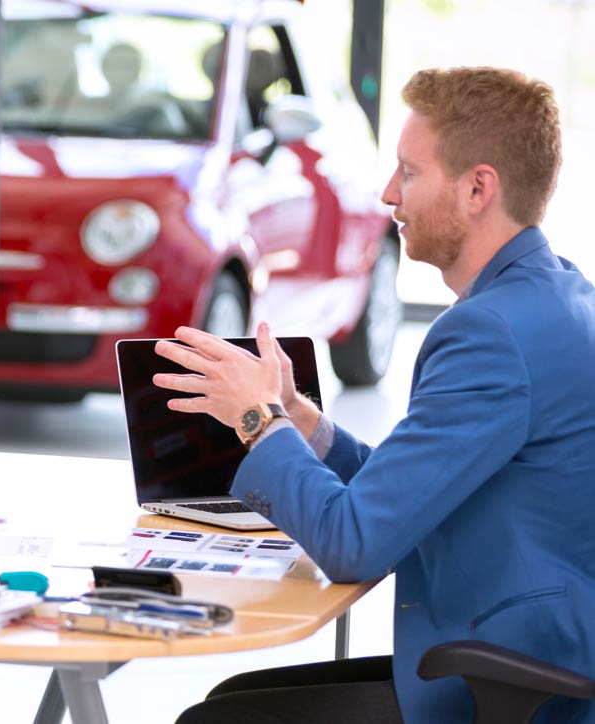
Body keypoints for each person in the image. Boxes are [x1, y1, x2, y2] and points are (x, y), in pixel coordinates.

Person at [155, 66, 595, 724]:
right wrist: (301, 422)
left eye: (410, 173)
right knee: (226, 704)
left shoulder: (489, 334)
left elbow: (355, 542)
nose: (389, 193)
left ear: (478, 188)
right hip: (530, 651)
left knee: (210, 720)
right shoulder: (556, 295)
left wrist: (256, 417)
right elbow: (405, 496)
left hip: (505, 679)